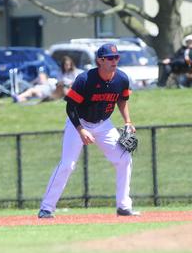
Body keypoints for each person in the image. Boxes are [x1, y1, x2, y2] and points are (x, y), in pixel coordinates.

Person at [37, 43, 139, 218]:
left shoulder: (121, 78)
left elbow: (122, 100)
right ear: (100, 60)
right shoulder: (85, 79)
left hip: (104, 124)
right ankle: (46, 208)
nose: (114, 61)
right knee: (67, 165)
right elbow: (70, 107)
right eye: (110, 58)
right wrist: (80, 130)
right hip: (79, 122)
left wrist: (127, 121)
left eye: (116, 57)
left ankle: (123, 206)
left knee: (124, 159)